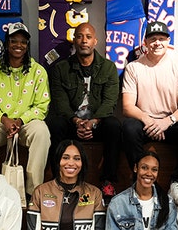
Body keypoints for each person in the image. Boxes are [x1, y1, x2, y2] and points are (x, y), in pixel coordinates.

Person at [0, 22, 50, 200]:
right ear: (6, 44)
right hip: (1, 125)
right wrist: (4, 119)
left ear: (27, 45)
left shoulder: (38, 71)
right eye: (14, 41)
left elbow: (42, 105)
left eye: (23, 42)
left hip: (26, 125)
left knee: (42, 131)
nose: (18, 45)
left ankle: (33, 192)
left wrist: (21, 121)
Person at [46, 23, 122, 203]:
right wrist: (76, 122)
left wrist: (93, 122)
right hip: (72, 123)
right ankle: (59, 178)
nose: (84, 41)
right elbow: (60, 103)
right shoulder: (61, 68)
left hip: (98, 123)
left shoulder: (108, 68)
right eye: (79, 36)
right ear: (74, 40)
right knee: (54, 124)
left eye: (88, 37)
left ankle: (108, 181)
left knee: (114, 125)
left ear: (95, 41)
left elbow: (110, 102)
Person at [121, 21, 178, 190]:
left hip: (170, 123)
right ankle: (140, 180)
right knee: (128, 127)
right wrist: (150, 121)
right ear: (145, 43)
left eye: (161, 38)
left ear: (168, 42)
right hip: (145, 123)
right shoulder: (133, 67)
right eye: (153, 39)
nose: (157, 43)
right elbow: (128, 107)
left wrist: (166, 122)